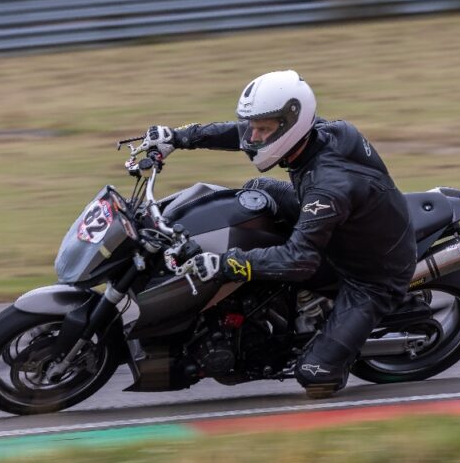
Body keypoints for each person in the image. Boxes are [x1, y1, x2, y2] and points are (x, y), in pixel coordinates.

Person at [144, 70, 416, 398]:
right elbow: (241, 134)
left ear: (291, 124)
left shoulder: (328, 188)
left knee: (314, 377)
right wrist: (178, 137)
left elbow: (299, 260)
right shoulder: (318, 135)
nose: (253, 136)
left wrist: (224, 263)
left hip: (370, 274)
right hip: (345, 221)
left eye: (264, 129)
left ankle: (331, 347)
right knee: (255, 193)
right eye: (254, 126)